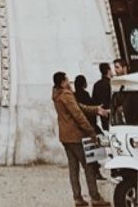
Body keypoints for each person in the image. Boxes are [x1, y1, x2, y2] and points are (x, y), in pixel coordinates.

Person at [52, 71, 107, 207]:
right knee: (89, 165)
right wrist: (91, 130)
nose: (69, 82)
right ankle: (95, 197)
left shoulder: (57, 95)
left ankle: (78, 198)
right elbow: (78, 114)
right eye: (67, 80)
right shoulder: (66, 95)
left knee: (73, 168)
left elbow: (79, 107)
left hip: (65, 136)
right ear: (62, 82)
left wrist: (95, 110)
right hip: (75, 136)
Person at [91, 64, 112, 131]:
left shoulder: (96, 84)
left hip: (102, 112)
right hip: (112, 112)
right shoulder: (111, 83)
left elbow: (94, 101)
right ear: (109, 70)